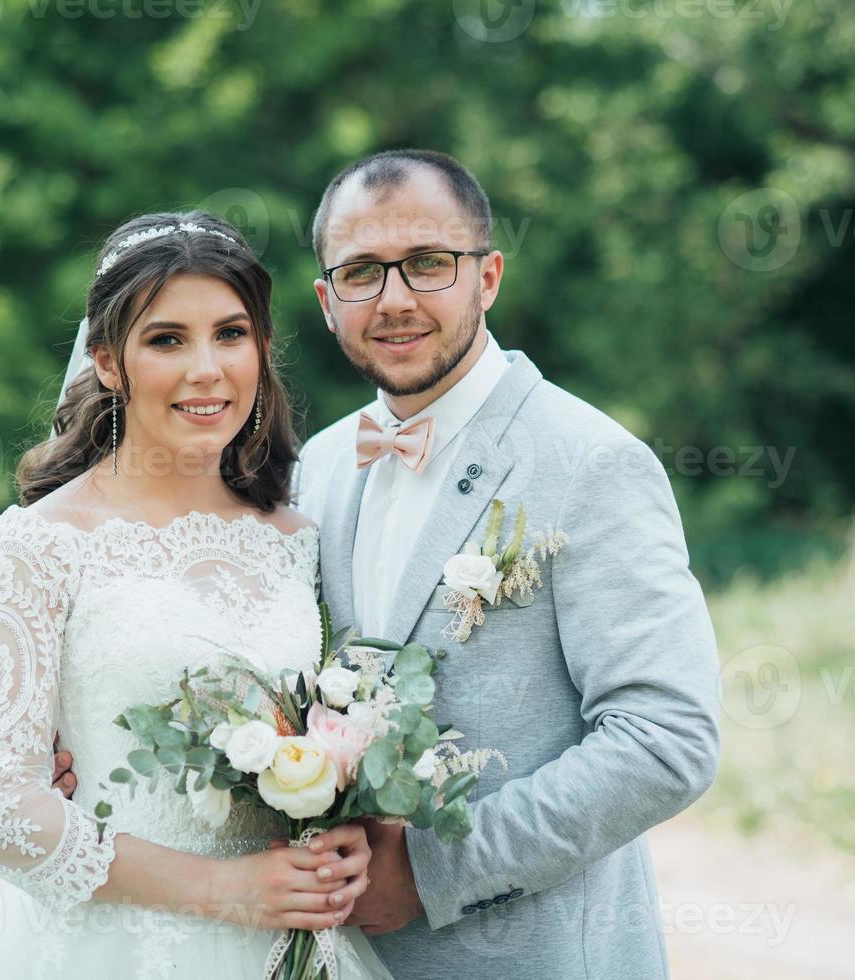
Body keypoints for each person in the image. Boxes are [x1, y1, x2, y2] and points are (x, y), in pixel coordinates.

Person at [293, 149, 721, 979]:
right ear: (326, 299)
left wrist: (428, 874)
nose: (395, 299)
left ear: (487, 276)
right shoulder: (314, 465)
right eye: (361, 273)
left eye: (427, 263)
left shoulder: (591, 462)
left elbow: (667, 739)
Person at [0, 212, 394, 979]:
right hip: (110, 946)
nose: (206, 369)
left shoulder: (295, 537)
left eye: (230, 334)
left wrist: (350, 828)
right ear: (108, 363)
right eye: (166, 340)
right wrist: (225, 891)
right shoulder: (41, 542)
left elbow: (331, 731)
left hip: (290, 947)